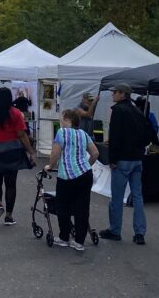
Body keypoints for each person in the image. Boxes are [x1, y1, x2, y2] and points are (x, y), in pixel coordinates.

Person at [99, 83, 148, 245]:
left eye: (115, 92)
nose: (113, 95)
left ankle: (115, 230)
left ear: (123, 94)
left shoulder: (118, 110)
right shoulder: (138, 111)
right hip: (137, 158)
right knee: (137, 197)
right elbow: (147, 134)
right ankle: (139, 232)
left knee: (117, 197)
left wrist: (112, 159)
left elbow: (115, 136)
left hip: (123, 159)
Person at [0, 87, 35, 226]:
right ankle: (9, 216)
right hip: (13, 151)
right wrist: (31, 152)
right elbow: (21, 135)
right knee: (11, 184)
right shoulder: (16, 113)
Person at [46, 108, 99, 251]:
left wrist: (50, 166)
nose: (60, 120)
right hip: (85, 174)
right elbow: (95, 153)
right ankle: (79, 241)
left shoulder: (62, 132)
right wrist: (86, 166)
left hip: (67, 176)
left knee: (62, 205)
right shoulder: (83, 134)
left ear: (66, 119)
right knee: (82, 207)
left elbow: (55, 153)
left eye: (61, 118)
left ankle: (64, 237)